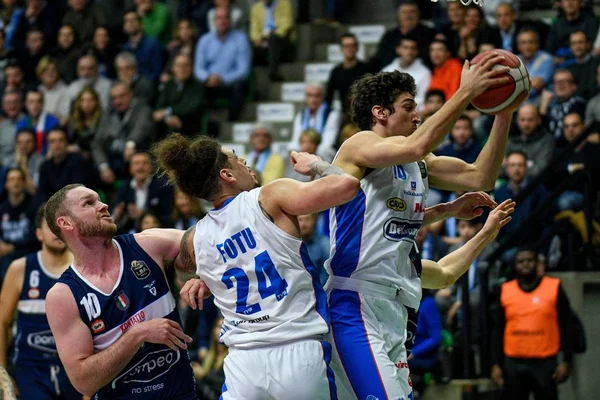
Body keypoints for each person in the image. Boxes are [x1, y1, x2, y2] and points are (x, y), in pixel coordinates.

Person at [324, 53, 527, 399]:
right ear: (380, 113)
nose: (417, 115)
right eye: (408, 107)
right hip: (355, 301)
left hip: (398, 306)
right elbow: (418, 143)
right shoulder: (359, 145)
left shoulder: (419, 161)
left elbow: (481, 176)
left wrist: (503, 112)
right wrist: (465, 92)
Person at [154, 133, 361, 399]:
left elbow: (183, 271)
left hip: (243, 363)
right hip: (297, 350)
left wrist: (203, 280)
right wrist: (315, 164)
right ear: (227, 175)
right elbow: (348, 185)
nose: (243, 160)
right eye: (235, 158)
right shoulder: (269, 197)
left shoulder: (194, 238)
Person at [43, 184, 197, 399]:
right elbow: (84, 382)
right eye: (89, 203)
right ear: (65, 223)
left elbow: (210, 239)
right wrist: (137, 334)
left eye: (100, 200)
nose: (103, 205)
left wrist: (205, 278)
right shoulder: (63, 296)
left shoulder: (146, 245)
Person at [0, 205, 82, 399]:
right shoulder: (20, 268)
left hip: (75, 370)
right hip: (31, 370)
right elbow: (2, 323)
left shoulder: (83, 269)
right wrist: (2, 374)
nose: (58, 231)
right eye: (51, 226)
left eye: (63, 225)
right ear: (38, 234)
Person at [491, 247, 573, 400]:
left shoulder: (553, 287)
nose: (525, 265)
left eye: (529, 261)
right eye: (520, 262)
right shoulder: (506, 290)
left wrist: (567, 360)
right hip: (513, 363)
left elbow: (567, 325)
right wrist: (495, 363)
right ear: (515, 265)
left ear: (538, 264)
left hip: (545, 362)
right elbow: (498, 330)